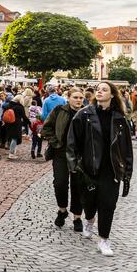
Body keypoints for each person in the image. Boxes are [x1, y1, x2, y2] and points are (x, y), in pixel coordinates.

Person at [67, 81, 133, 257]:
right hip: (88, 169)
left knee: (108, 204)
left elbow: (126, 148)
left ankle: (104, 239)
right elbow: (72, 142)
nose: (100, 91)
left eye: (105, 89)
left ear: (112, 95)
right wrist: (75, 166)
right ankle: (89, 220)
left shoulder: (119, 119)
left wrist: (127, 173)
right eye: (98, 89)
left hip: (111, 169)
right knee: (89, 203)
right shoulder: (84, 115)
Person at [42, 87, 85, 232]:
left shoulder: (87, 113)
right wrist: (56, 143)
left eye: (80, 97)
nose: (78, 100)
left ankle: (77, 217)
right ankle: (62, 210)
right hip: (60, 153)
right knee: (60, 183)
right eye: (75, 97)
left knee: (78, 186)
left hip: (79, 155)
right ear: (68, 98)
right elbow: (46, 128)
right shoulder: (59, 110)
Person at [5, 95, 30, 160]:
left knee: (11, 137)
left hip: (8, 123)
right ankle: (11, 153)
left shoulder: (9, 105)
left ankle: (12, 151)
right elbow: (24, 117)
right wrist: (29, 123)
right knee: (15, 138)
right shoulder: (20, 107)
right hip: (16, 124)